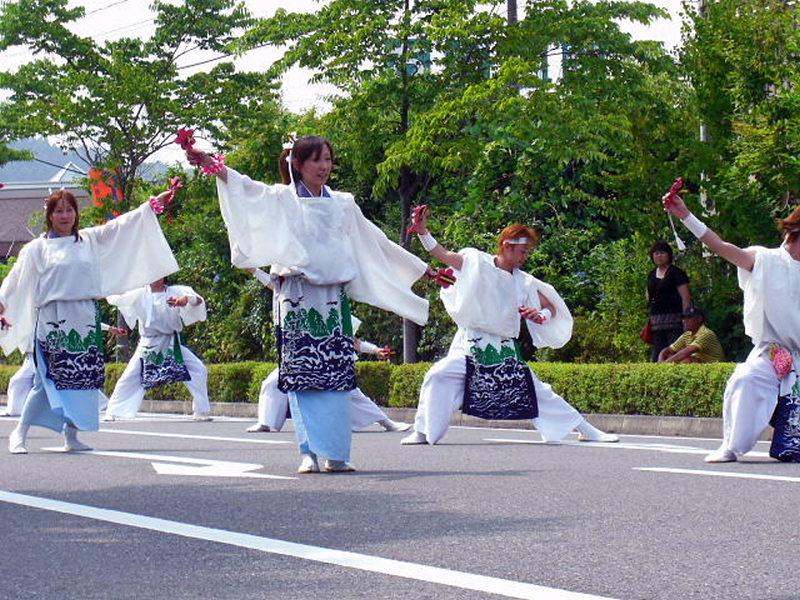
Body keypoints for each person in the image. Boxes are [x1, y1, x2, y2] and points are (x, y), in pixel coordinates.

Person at [186, 135, 435, 473]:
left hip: (332, 299)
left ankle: (336, 454)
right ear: (297, 164)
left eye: (328, 159)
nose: (324, 166)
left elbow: (374, 239)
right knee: (302, 375)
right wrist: (212, 165)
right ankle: (309, 453)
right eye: (316, 160)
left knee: (336, 377)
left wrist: (421, 269)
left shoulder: (343, 203)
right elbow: (247, 189)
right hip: (297, 297)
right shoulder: (283, 199)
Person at [400, 208, 619, 446]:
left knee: (536, 391)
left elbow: (551, 306)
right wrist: (422, 232)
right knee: (439, 375)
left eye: (527, 252)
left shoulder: (524, 281)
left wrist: (540, 315)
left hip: (504, 349)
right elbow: (443, 254)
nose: (525, 256)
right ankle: (422, 431)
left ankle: (585, 428)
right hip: (470, 343)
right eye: (523, 251)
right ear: (507, 246)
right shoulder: (476, 262)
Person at [0, 189, 178, 454]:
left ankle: (71, 435)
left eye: (69, 210)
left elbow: (120, 227)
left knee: (84, 380)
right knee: (46, 380)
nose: (65, 216)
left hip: (84, 318)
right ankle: (20, 432)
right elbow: (16, 278)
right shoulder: (37, 248)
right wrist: (2, 301)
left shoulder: (88, 240)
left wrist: (150, 206)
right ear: (50, 216)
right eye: (59, 211)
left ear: (76, 213)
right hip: (52, 319)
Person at [664, 186, 800, 462]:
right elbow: (720, 246)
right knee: (745, 378)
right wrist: (686, 215)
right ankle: (731, 445)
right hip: (772, 353)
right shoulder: (764, 260)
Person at [245, 267, 410, 434]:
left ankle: (386, 422)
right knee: (273, 382)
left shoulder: (330, 297)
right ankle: (265, 422)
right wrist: (254, 271)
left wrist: (375, 350)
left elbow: (352, 340)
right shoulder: (295, 290)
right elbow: (276, 286)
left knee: (349, 392)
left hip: (329, 356)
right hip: (302, 354)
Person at [104, 278, 210, 421]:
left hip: (171, 343)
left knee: (198, 369)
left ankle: (201, 410)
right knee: (130, 376)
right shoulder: (140, 293)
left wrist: (186, 300)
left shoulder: (175, 291)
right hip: (149, 343)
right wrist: (106, 285)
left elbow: (197, 300)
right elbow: (118, 298)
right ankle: (114, 410)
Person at [646, 241, 692, 362]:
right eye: (656, 253)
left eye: (662, 252)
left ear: (668, 255)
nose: (659, 256)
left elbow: (686, 297)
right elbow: (648, 296)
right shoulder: (651, 275)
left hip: (676, 320)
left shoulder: (677, 273)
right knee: (658, 353)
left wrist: (686, 317)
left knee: (675, 351)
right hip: (656, 321)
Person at [658, 305, 725, 364]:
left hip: (714, 367)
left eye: (689, 317)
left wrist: (665, 363)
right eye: (684, 317)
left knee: (686, 360)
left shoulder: (706, 333)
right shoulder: (687, 334)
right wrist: (660, 359)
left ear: (699, 319)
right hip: (701, 365)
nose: (684, 320)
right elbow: (667, 350)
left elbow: (686, 352)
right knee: (671, 355)